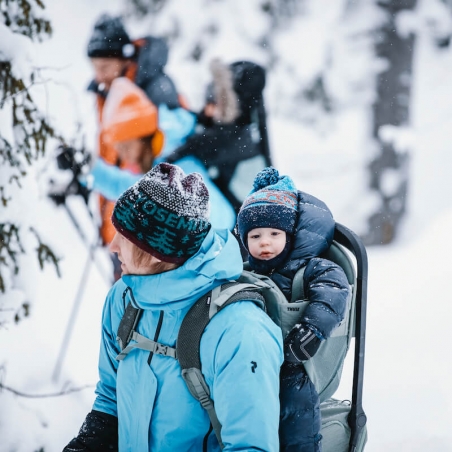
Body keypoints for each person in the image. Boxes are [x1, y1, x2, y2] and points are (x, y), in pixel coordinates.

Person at [63, 162, 283, 451]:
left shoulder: (240, 331)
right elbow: (111, 399)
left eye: (125, 238)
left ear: (156, 252)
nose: (113, 247)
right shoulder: (124, 300)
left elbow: (251, 446)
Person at [236, 167, 350, 452]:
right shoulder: (243, 270)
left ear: (291, 234)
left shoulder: (312, 267)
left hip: (294, 361)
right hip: (250, 356)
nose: (264, 242)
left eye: (275, 233)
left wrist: (311, 330)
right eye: (255, 236)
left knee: (294, 407)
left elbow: (332, 294)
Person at [88, 77, 236, 280]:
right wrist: (89, 168)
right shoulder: (163, 156)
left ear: (142, 138)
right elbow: (132, 188)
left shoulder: (179, 164)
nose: (125, 156)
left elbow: (223, 219)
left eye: (126, 147)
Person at [86, 13, 196, 246]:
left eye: (105, 66)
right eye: (95, 67)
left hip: (148, 228)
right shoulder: (108, 91)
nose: (99, 75)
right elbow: (114, 155)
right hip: (123, 218)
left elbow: (174, 146)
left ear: (125, 58)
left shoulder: (154, 90)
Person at [166, 58, 271, 214]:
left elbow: (177, 155)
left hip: (237, 218)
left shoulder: (226, 139)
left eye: (212, 104)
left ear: (227, 106)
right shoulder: (246, 131)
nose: (206, 109)